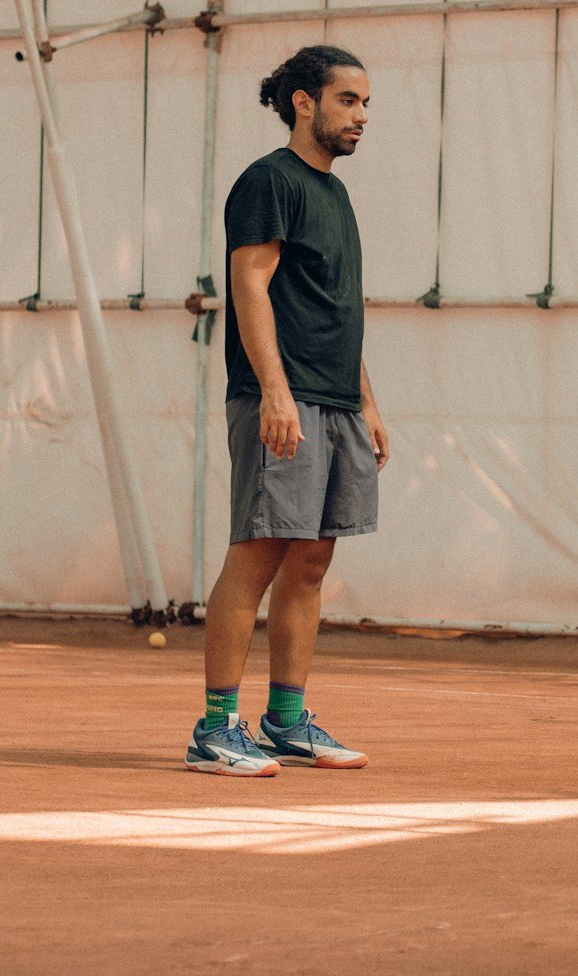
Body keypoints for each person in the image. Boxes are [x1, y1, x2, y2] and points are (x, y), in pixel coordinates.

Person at [183, 45, 389, 776]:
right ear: (304, 102)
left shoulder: (333, 193)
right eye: (348, 101)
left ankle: (287, 720)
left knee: (311, 558)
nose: (361, 115)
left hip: (334, 399)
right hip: (283, 396)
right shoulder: (269, 182)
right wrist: (273, 390)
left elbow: (338, 307)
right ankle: (214, 729)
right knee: (260, 551)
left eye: (365, 103)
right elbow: (251, 286)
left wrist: (364, 400)